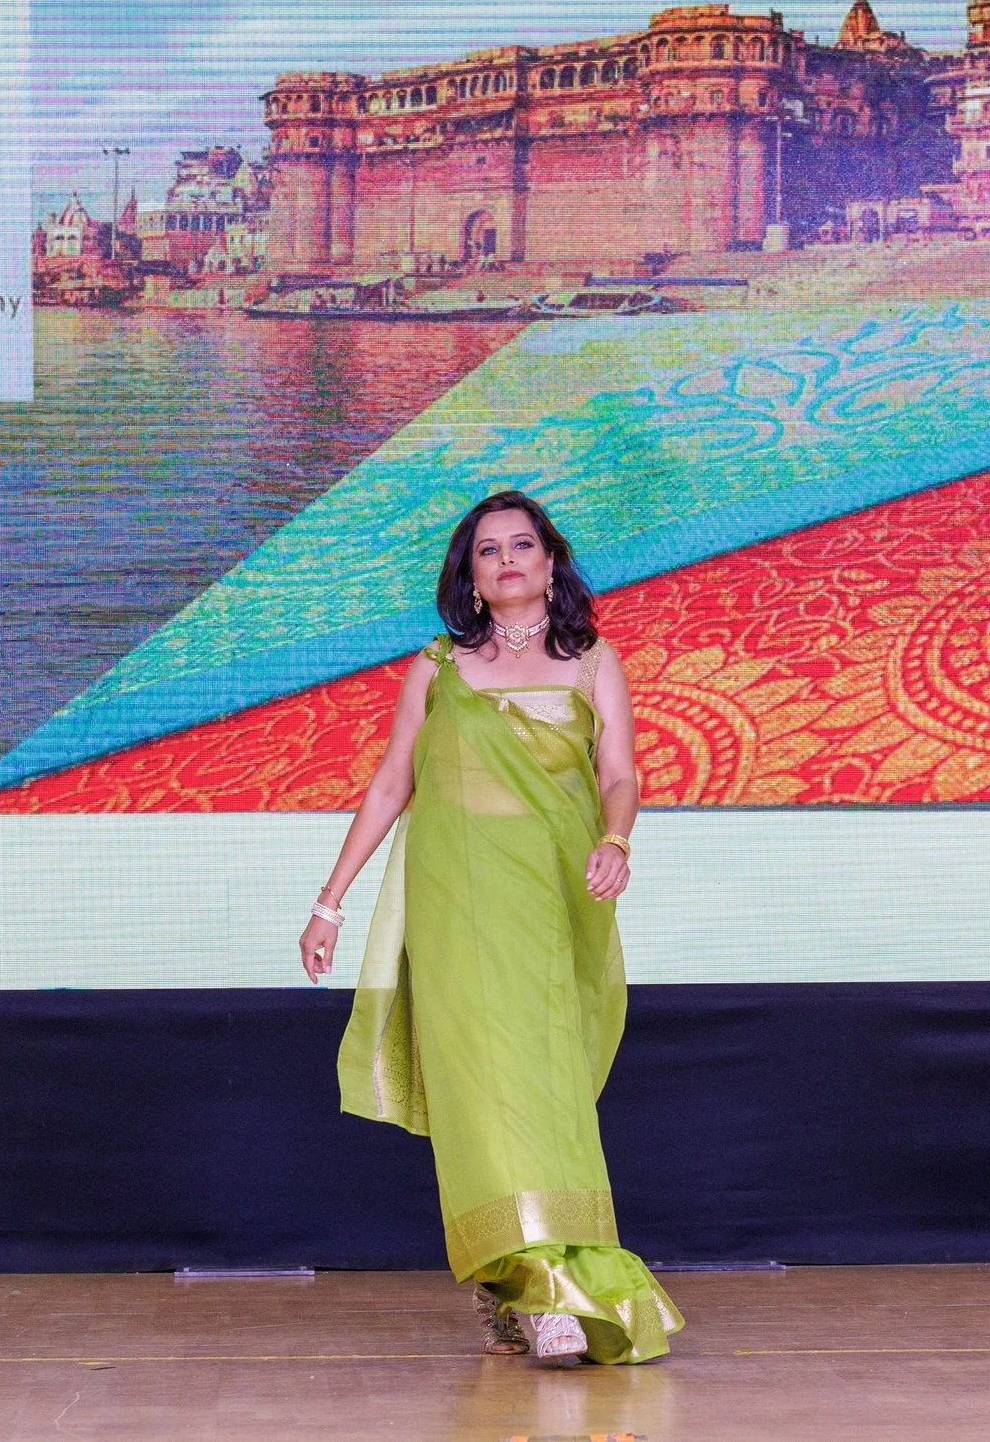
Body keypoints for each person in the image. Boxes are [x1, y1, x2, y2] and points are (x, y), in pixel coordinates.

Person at [299, 489, 683, 1368]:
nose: (506, 560)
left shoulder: (592, 662)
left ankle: (546, 1280)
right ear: (469, 578)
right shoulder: (439, 667)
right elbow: (392, 783)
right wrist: (330, 901)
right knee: (480, 1092)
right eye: (487, 551)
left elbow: (618, 773)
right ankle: (528, 1290)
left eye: (522, 545)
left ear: (551, 563)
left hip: (550, 904)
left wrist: (617, 838)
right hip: (455, 909)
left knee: (541, 1086)